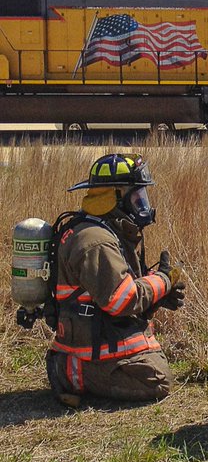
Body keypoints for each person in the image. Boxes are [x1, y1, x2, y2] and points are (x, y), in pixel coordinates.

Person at [45, 153, 185, 407]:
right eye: (136, 197)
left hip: (97, 336)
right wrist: (164, 281)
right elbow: (123, 299)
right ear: (115, 197)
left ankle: (76, 370)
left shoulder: (103, 230)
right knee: (157, 380)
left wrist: (157, 297)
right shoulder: (95, 241)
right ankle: (72, 375)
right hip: (87, 351)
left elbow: (114, 289)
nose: (142, 205)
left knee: (154, 362)